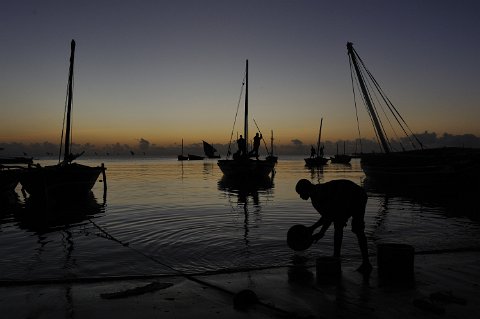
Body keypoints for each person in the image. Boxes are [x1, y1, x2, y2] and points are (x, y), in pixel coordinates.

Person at [295, 178, 372, 274]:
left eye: (300, 193)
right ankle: (336, 257)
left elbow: (329, 216)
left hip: (356, 195)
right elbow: (327, 216)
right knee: (338, 226)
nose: (301, 196)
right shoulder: (315, 197)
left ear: (306, 190)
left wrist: (320, 232)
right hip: (342, 200)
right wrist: (313, 229)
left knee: (358, 229)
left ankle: (366, 263)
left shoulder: (319, 195)